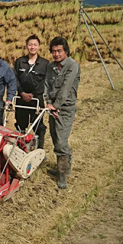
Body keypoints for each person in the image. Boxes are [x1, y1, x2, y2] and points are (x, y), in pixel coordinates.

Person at [44, 37, 80, 189]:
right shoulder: (51, 67)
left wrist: (56, 105)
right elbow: (46, 85)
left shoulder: (72, 66)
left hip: (65, 109)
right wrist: (47, 102)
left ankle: (62, 174)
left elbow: (65, 89)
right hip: (52, 107)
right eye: (53, 51)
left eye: (59, 51)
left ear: (65, 50)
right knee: (55, 138)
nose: (56, 54)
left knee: (61, 142)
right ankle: (66, 165)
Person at [13, 35, 49, 148]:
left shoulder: (44, 64)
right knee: (20, 124)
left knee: (37, 124)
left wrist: (33, 94)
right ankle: (21, 147)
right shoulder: (20, 62)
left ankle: (40, 149)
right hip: (21, 99)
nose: (32, 47)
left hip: (36, 99)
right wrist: (22, 93)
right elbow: (15, 78)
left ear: (39, 47)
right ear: (26, 46)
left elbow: (45, 81)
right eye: (30, 44)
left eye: (35, 45)